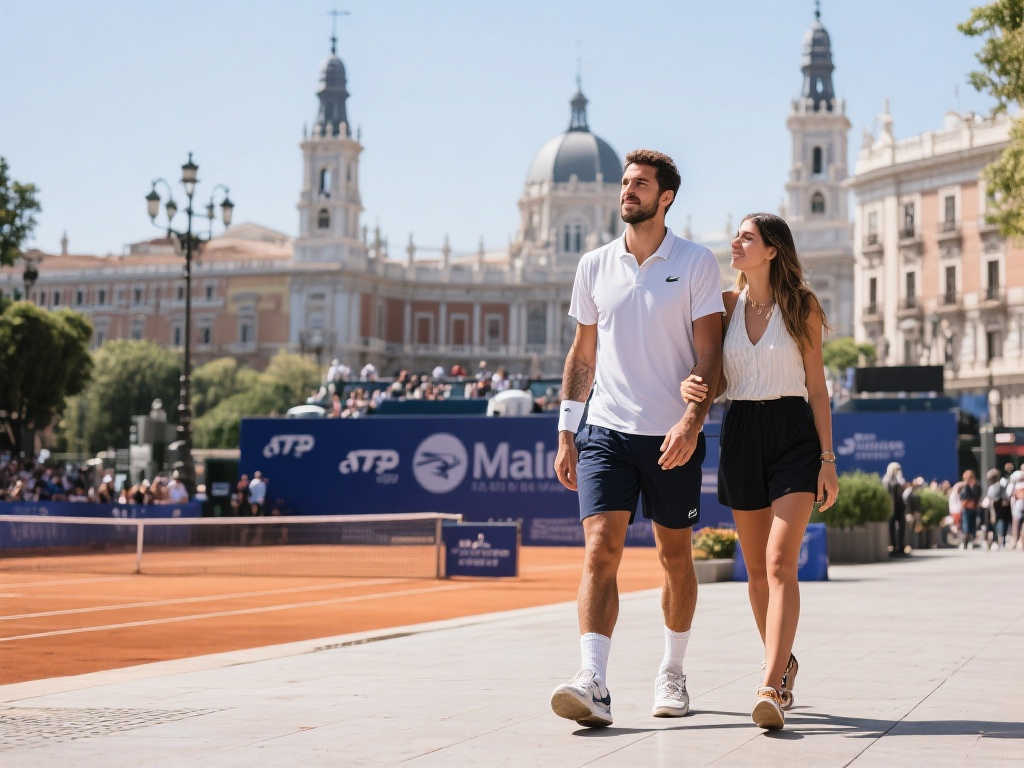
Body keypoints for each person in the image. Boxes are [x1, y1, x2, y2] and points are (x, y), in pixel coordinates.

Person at [550, 149, 724, 728]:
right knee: (601, 550)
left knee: (675, 557)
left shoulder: (697, 263)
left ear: (665, 196)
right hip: (606, 430)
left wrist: (690, 422)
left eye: (639, 184)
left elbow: (710, 356)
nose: (627, 191)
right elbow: (583, 354)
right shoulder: (594, 265)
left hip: (672, 435)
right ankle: (592, 679)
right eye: (625, 183)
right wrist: (567, 428)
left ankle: (672, 670)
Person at [679, 212, 838, 730]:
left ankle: (771, 685)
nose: (736, 243)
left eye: (747, 238)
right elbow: (717, 380)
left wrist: (827, 461)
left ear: (772, 250)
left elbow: (817, 389)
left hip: (794, 435)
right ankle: (785, 662)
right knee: (754, 574)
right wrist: (694, 388)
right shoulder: (725, 307)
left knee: (778, 564)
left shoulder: (802, 307)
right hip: (742, 432)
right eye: (737, 237)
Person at [883, 462, 907, 557]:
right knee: (891, 528)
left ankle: (901, 547)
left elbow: (902, 493)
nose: (899, 471)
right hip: (892, 507)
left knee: (902, 527)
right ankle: (893, 547)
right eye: (897, 469)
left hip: (900, 507)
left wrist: (901, 481)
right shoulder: (887, 480)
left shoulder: (899, 480)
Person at [959, 470, 982, 550]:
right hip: (966, 508)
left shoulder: (977, 486)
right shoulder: (964, 486)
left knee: (972, 525)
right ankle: (965, 542)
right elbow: (962, 497)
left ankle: (971, 542)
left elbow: (978, 496)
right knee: (966, 526)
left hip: (974, 508)